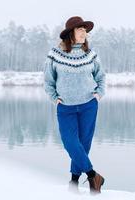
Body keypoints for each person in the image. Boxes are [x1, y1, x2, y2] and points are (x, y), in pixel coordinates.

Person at [43, 16, 106, 194]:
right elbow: (48, 81)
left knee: (83, 145)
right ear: (71, 33)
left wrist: (98, 94)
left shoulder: (90, 54)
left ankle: (73, 183)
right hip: (66, 107)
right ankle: (93, 175)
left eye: (85, 31)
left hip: (88, 105)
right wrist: (54, 97)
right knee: (70, 143)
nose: (84, 33)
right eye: (80, 30)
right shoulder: (55, 54)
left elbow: (101, 77)